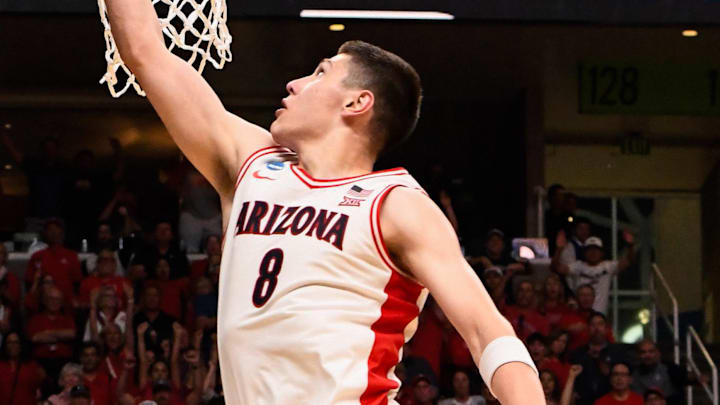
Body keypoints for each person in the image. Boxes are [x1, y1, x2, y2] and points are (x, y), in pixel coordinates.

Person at [104, 3, 543, 403]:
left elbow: (488, 333)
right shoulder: (250, 164)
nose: (294, 83)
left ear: (357, 102)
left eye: (318, 73)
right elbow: (145, 51)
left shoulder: (396, 205)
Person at [552, 231, 636, 314]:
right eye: (589, 250)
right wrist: (559, 249)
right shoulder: (577, 266)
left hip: (600, 318)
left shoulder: (608, 266)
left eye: (596, 250)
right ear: (584, 253)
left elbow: (628, 261)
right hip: (579, 315)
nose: (593, 253)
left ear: (602, 253)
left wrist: (631, 246)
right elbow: (555, 267)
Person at [24, 219, 83, 309]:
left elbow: (77, 283)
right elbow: (29, 282)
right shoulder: (37, 256)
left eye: (56, 229)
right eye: (50, 229)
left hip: (66, 305)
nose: (53, 232)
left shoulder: (71, 256)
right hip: (42, 305)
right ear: (45, 233)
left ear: (62, 233)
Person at [631, 340, 688, 405]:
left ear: (658, 353)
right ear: (638, 355)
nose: (647, 355)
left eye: (651, 351)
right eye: (643, 352)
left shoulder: (671, 369)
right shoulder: (633, 375)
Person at [0, 331, 46, 405]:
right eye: (9, 342)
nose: (13, 345)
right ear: (5, 346)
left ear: (21, 345)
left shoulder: (32, 366)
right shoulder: (1, 365)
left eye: (16, 342)